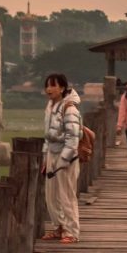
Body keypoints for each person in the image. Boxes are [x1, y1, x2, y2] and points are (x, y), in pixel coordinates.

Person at [41, 73, 82, 244]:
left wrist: (64, 161)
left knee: (66, 195)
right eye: (47, 85)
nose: (49, 89)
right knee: (51, 195)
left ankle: (71, 231)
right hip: (52, 153)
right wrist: (45, 157)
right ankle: (58, 226)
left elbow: (73, 139)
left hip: (66, 157)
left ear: (62, 88)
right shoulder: (50, 106)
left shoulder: (69, 108)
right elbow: (47, 136)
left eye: (53, 85)